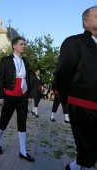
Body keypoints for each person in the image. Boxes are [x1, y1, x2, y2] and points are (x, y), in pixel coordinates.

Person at [55, 6, 97, 170]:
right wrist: (69, 102)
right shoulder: (74, 42)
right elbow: (63, 74)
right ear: (86, 22)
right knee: (87, 152)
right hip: (83, 108)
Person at [0, 37, 34, 162]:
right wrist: (0, 97)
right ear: (14, 46)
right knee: (5, 119)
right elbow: (0, 79)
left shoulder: (26, 61)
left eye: (24, 44)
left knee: (22, 122)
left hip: (22, 96)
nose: (24, 46)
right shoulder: (5, 60)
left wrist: (28, 96)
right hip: (9, 95)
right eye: (21, 44)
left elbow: (27, 80)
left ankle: (23, 151)